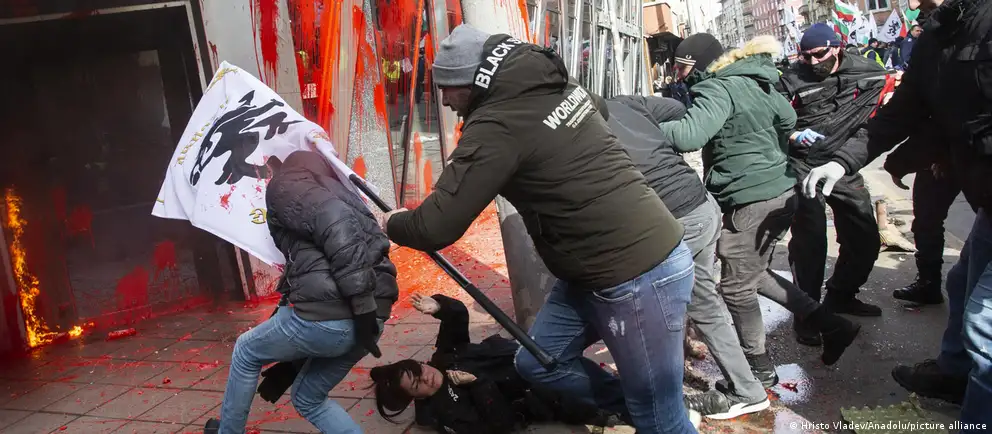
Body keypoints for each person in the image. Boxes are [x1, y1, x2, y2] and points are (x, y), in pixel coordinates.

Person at [380, 24, 697, 433]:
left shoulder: (497, 124)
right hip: (592, 274)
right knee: (539, 361)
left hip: (637, 273)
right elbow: (599, 111)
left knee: (662, 420)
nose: (443, 100)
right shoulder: (553, 84)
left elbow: (434, 226)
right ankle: (634, 407)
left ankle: (651, 414)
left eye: (447, 88)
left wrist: (392, 222)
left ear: (473, 82)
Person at [800, 0, 992, 429]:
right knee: (961, 283)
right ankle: (954, 376)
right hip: (985, 198)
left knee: (985, 325)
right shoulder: (936, 36)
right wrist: (843, 161)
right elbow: (900, 113)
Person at [657, 33, 861, 377]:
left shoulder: (716, 88)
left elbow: (688, 136)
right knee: (753, 274)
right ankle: (832, 325)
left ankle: (759, 368)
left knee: (736, 287)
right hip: (780, 190)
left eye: (682, 67)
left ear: (699, 64)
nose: (678, 74)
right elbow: (788, 119)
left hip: (750, 197)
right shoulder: (754, 78)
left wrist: (641, 125)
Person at [203, 151, 399, 434]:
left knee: (246, 351)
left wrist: (361, 304)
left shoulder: (287, 182)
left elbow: (337, 221)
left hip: (345, 313)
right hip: (370, 320)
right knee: (309, 398)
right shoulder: (339, 192)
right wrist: (290, 364)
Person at [605, 94, 770, 419]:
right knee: (701, 301)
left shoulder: (581, 131)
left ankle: (740, 390)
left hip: (679, 218)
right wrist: (650, 138)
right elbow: (677, 108)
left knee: (664, 302)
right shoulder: (622, 103)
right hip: (702, 206)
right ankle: (743, 386)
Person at [777, 24, 893, 346]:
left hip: (841, 164)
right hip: (802, 165)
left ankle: (842, 294)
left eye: (819, 54)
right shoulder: (790, 79)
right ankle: (808, 314)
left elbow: (887, 111)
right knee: (811, 240)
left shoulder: (868, 72)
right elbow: (769, 116)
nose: (812, 62)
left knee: (864, 236)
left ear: (837, 47)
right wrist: (791, 134)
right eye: (806, 56)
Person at [370, 294, 621, 434]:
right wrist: (478, 384)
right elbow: (500, 425)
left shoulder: (443, 358)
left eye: (420, 370)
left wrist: (440, 307)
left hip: (530, 357)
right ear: (416, 397)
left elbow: (457, 318)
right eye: (418, 384)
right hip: (541, 393)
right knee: (598, 400)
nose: (426, 377)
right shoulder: (447, 412)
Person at [882, 128, 961, 305]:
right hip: (944, 155)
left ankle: (929, 284)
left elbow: (933, 124)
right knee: (927, 222)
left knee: (928, 222)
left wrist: (898, 163)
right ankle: (928, 285)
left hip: (953, 152)